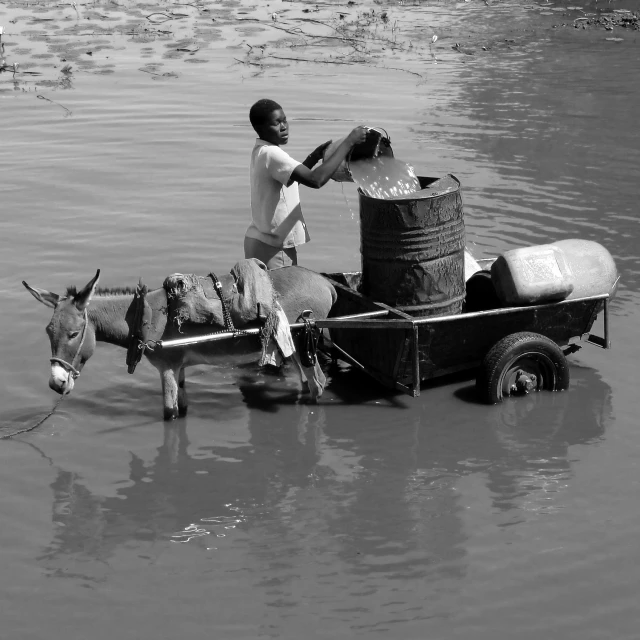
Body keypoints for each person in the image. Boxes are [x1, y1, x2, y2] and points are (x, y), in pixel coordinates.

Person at [244, 98, 368, 269]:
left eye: (284, 120)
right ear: (260, 128)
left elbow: (290, 182)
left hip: (258, 241)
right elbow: (315, 180)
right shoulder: (273, 154)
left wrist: (313, 157)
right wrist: (349, 142)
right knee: (282, 295)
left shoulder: (261, 151)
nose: (284, 127)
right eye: (276, 123)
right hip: (274, 249)